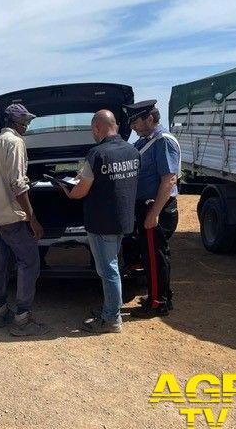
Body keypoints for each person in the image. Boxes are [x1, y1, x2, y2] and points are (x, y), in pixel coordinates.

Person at [58, 110, 140, 333]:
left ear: (97, 127)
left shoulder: (97, 154)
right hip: (123, 220)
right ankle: (109, 309)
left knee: (108, 270)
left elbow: (80, 192)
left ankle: (112, 319)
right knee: (112, 266)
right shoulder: (132, 151)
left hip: (102, 222)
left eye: (92, 130)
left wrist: (67, 190)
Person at [0, 103, 48, 337]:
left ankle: (0, 311)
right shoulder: (16, 143)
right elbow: (18, 184)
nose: (27, 124)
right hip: (11, 216)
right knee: (29, 262)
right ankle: (22, 318)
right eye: (25, 121)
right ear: (15, 122)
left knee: (1, 261)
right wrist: (32, 218)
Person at [124, 100, 181, 318]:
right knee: (149, 256)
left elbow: (169, 180)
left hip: (155, 208)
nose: (132, 126)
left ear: (150, 118)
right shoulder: (143, 142)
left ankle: (158, 302)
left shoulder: (163, 141)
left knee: (155, 258)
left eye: (135, 121)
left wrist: (154, 213)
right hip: (146, 208)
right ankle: (158, 295)